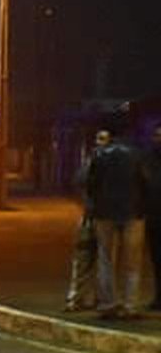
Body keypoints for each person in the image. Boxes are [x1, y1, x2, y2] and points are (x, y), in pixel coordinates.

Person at [85, 124, 148, 320]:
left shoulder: (100, 156)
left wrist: (94, 206)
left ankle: (108, 303)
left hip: (104, 213)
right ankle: (131, 305)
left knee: (106, 258)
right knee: (133, 261)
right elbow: (145, 183)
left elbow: (90, 183)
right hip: (133, 213)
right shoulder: (137, 155)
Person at [65, 129, 108, 312]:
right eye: (99, 139)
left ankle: (89, 298)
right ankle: (78, 297)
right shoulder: (93, 163)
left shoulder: (96, 162)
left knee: (99, 259)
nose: (101, 144)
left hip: (101, 217)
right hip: (94, 217)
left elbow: (78, 182)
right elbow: (79, 182)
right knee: (86, 257)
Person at [145, 124, 161, 310]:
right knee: (157, 260)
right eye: (157, 135)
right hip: (154, 217)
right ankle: (159, 296)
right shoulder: (148, 159)